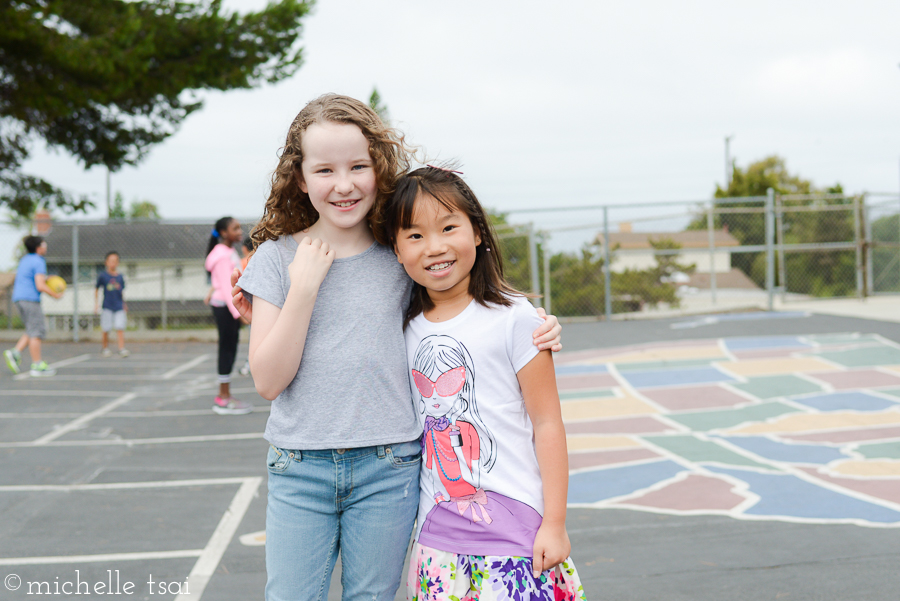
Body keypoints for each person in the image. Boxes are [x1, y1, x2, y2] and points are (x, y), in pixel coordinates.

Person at [233, 94, 562, 601]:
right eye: (325, 170)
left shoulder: (400, 252)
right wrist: (303, 289)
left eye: (358, 166)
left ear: (377, 167)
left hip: (388, 468)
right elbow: (268, 381)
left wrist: (539, 323)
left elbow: (465, 307)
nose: (343, 184)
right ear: (301, 178)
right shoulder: (277, 259)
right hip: (301, 467)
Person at [382, 166, 585, 600]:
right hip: (438, 543)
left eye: (449, 227)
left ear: (478, 232)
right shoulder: (399, 327)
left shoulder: (516, 318)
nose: (434, 247)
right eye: (414, 235)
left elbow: (548, 424)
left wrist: (555, 522)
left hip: (518, 539)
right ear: (395, 250)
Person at [204, 217, 252, 415]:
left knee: (230, 349)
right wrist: (239, 313)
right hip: (225, 306)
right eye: (235, 228)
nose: (240, 231)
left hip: (227, 306)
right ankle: (222, 398)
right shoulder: (222, 255)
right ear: (224, 233)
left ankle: (225, 395)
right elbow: (225, 286)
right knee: (226, 349)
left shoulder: (228, 252)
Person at [4, 235, 62, 377]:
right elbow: (39, 285)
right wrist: (55, 295)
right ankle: (37, 365)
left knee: (31, 328)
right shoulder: (38, 261)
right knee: (37, 330)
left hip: (19, 298)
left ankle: (15, 352)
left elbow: (31, 278)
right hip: (29, 299)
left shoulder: (26, 259)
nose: (45, 246)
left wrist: (47, 278)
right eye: (43, 244)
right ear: (38, 247)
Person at [94, 251, 129, 357]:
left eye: (115, 261)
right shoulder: (103, 276)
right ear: (106, 262)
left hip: (118, 306)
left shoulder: (120, 277)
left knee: (120, 327)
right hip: (107, 306)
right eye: (110, 261)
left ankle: (121, 348)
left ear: (118, 263)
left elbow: (121, 292)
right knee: (106, 328)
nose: (113, 263)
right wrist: (96, 304)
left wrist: (123, 303)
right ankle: (105, 348)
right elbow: (96, 289)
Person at [238, 237, 253, 377]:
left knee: (253, 339)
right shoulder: (261, 259)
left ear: (244, 248)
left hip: (249, 304)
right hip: (262, 303)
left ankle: (250, 366)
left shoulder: (243, 263)